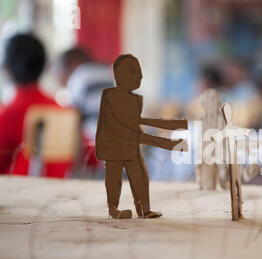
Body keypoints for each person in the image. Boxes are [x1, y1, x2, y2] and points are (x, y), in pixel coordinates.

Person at [96, 54, 187, 219]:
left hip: (131, 148)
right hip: (114, 148)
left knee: (141, 177)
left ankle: (144, 209)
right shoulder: (110, 96)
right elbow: (122, 128)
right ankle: (113, 208)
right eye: (133, 71)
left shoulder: (135, 99)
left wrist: (171, 126)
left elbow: (136, 122)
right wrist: (165, 143)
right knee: (114, 178)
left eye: (139, 71)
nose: (140, 75)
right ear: (118, 75)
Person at [0, 33, 74, 177]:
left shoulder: (9, 115)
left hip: (17, 195)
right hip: (61, 195)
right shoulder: (63, 111)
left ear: (7, 67)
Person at [57, 47, 114, 141]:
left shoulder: (79, 76)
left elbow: (72, 115)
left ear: (73, 64)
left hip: (97, 141)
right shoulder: (107, 71)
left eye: (60, 72)